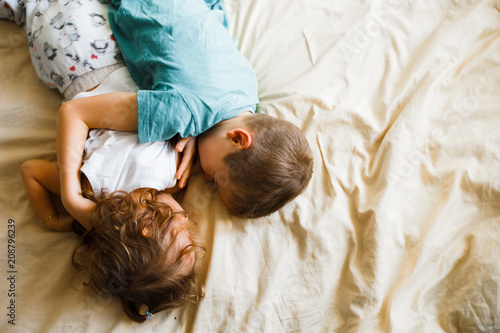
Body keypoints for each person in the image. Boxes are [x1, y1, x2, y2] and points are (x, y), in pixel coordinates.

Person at [2, 0, 314, 224]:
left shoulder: (246, 91)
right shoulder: (179, 112)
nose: (204, 178)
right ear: (237, 139)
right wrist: (71, 196)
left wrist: (198, 130)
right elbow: (76, 111)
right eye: (216, 179)